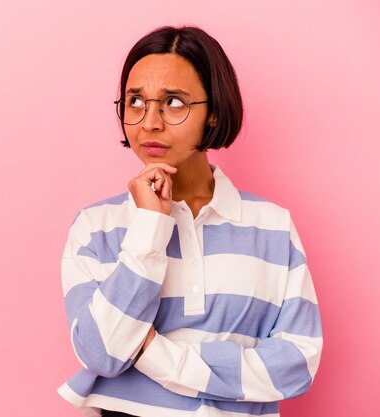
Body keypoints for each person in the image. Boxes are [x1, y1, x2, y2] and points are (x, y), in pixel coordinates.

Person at [57, 26, 323, 417]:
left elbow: (296, 365)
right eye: (135, 101)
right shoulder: (96, 227)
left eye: (174, 103)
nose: (149, 122)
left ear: (213, 110)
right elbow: (101, 355)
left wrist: (154, 353)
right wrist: (149, 225)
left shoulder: (272, 227)